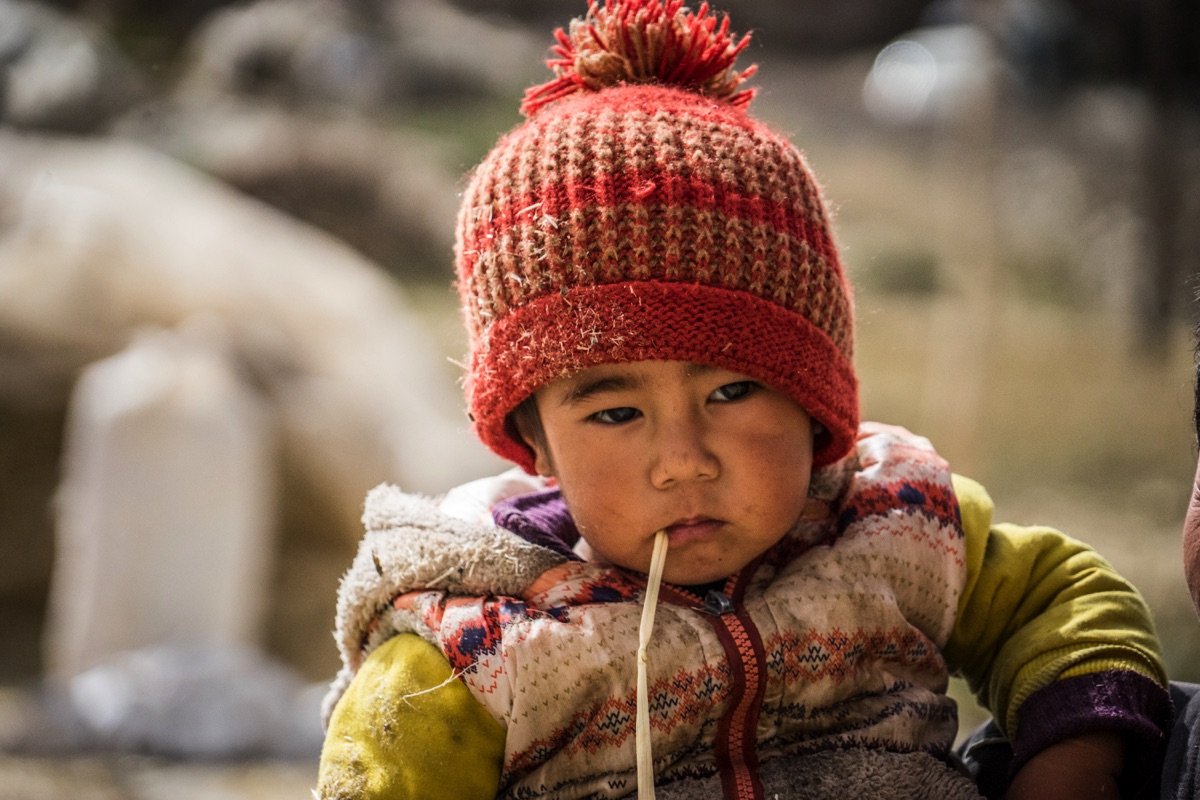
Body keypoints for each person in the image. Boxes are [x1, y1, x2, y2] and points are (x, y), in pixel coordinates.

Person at [315, 1, 1172, 798]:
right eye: (615, 413)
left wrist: (1071, 763)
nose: (683, 460)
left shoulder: (897, 532)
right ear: (533, 439)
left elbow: (1059, 602)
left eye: (731, 390)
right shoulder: (474, 647)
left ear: (812, 398)